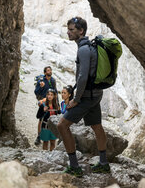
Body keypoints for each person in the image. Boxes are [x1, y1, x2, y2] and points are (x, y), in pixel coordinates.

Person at [58, 17, 110, 177]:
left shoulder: (83, 49)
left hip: (87, 97)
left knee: (62, 125)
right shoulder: (89, 47)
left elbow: (82, 77)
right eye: (68, 29)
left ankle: (74, 166)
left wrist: (76, 100)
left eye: (72, 29)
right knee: (96, 126)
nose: (68, 32)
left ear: (81, 31)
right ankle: (103, 163)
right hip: (95, 94)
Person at [34, 66, 58, 146]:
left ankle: (48, 135)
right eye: (48, 70)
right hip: (43, 101)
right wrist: (41, 87)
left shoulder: (52, 80)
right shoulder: (41, 81)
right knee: (41, 118)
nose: (50, 71)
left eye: (50, 70)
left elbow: (55, 91)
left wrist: (56, 102)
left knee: (50, 117)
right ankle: (39, 136)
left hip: (51, 101)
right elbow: (36, 92)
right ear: (45, 73)